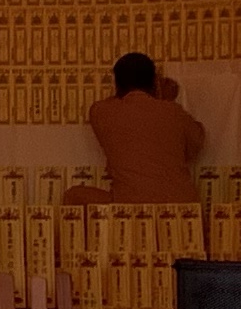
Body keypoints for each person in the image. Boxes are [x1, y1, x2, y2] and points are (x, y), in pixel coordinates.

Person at [86, 51, 205, 206]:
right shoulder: (173, 112)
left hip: (131, 204)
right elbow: (196, 145)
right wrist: (164, 99)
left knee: (73, 195)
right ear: (154, 82)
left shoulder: (100, 112)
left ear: (116, 84)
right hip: (182, 205)